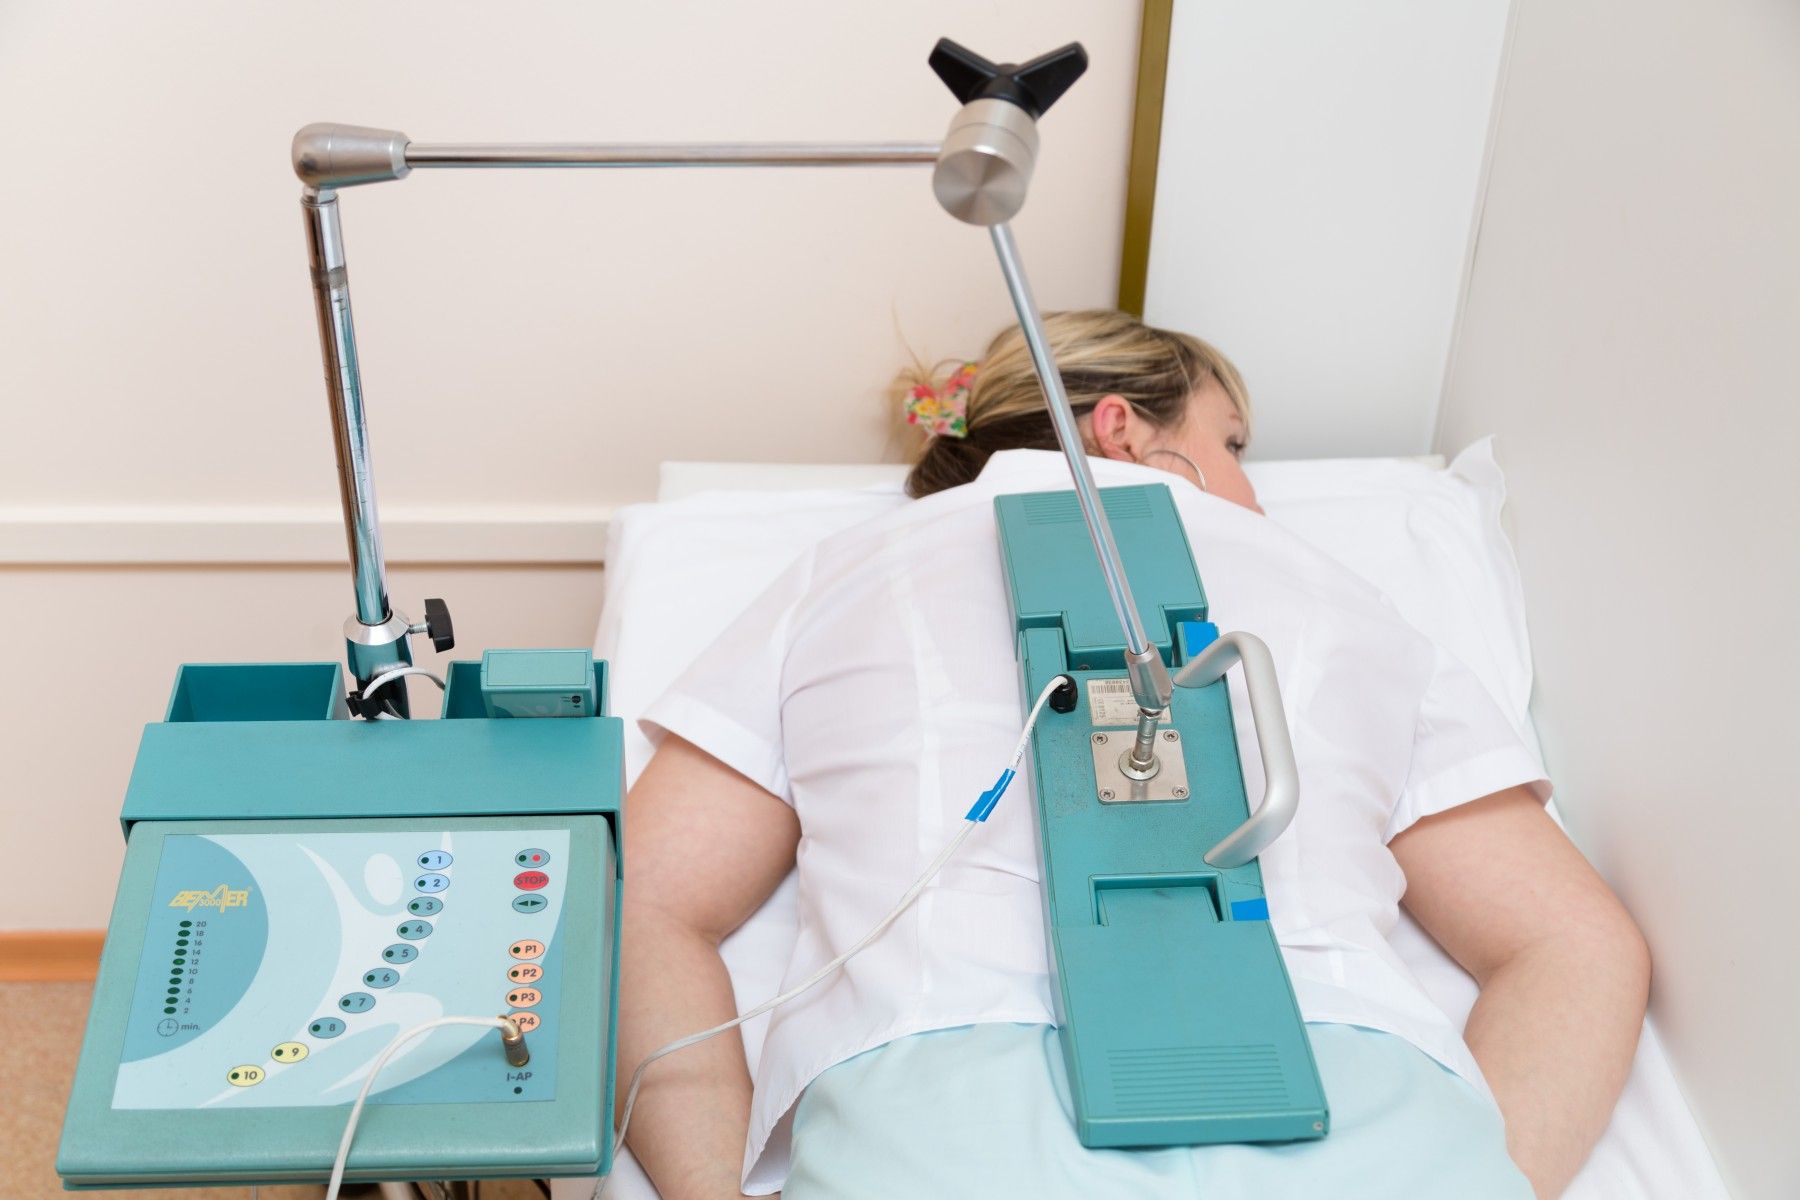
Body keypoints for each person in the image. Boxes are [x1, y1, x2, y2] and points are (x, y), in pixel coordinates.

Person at [616, 310, 1650, 1200]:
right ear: (1122, 429)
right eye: (1232, 443)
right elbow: (1574, 945)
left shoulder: (845, 576)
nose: (1253, 494)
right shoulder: (1350, 600)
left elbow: (645, 904)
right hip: (1364, 1109)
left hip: (943, 1116)